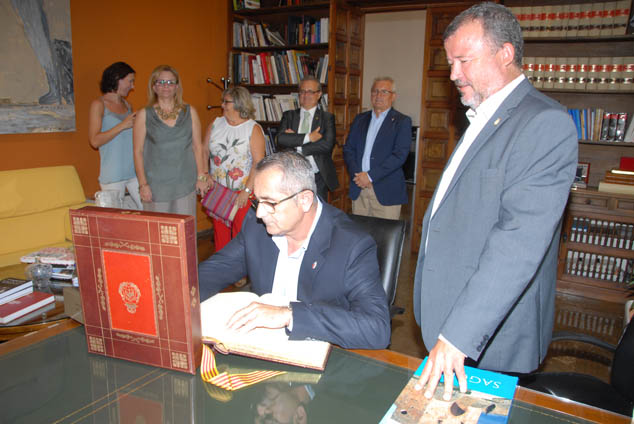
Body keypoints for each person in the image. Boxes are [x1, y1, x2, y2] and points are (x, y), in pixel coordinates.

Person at [412, 2, 578, 401]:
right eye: (450, 62)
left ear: (505, 54)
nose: (453, 74)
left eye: (464, 61)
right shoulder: (482, 114)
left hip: (487, 335)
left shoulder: (544, 123)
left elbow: (518, 244)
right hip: (452, 317)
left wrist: (458, 336)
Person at [198, 151, 390, 350]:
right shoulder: (257, 227)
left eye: (270, 203)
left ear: (305, 200)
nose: (260, 213)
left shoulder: (351, 245)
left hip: (322, 353)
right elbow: (214, 271)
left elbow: (377, 329)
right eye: (257, 201)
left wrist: (289, 315)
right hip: (262, 347)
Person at [132, 64, 207, 216]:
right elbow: (137, 151)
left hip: (185, 184)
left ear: (177, 86)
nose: (166, 86)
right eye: (161, 82)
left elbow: (198, 147)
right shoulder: (144, 115)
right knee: (158, 229)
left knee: (184, 228)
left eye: (170, 82)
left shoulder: (190, 112)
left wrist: (201, 176)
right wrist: (142, 185)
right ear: (154, 87)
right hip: (156, 187)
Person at [202, 86, 266, 251]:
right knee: (220, 237)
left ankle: (242, 268)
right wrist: (204, 174)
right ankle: (222, 267)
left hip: (242, 193)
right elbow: (203, 150)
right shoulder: (215, 124)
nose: (222, 105)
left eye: (226, 102)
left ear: (238, 104)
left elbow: (258, 162)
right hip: (218, 192)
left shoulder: (253, 129)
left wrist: (246, 191)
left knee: (241, 238)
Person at [342, 77, 411, 220]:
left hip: (386, 191)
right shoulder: (360, 119)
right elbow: (349, 149)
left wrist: (370, 176)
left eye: (384, 92)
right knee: (359, 232)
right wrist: (359, 176)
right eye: (375, 91)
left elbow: (399, 155)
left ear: (393, 96)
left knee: (384, 233)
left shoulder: (402, 121)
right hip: (359, 188)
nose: (378, 95)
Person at [88, 61, 142, 210]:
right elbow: (94, 141)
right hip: (112, 175)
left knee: (148, 211)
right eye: (130, 81)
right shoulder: (98, 105)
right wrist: (122, 125)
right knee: (114, 218)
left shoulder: (127, 105)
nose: (133, 86)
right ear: (118, 79)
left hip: (134, 172)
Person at [276, 75, 338, 201]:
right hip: (292, 175)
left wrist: (295, 143)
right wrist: (309, 137)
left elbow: (327, 145)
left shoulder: (326, 118)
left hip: (317, 176)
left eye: (310, 92)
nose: (306, 95)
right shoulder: (289, 116)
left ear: (319, 94)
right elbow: (280, 139)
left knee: (317, 209)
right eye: (302, 91)